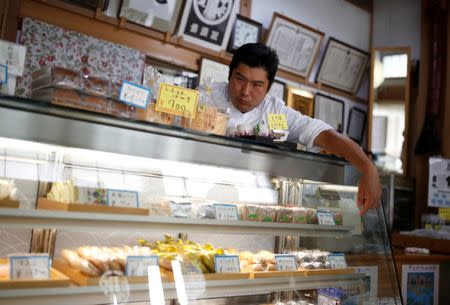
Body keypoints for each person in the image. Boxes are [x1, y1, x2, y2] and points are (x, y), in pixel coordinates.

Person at [209, 43, 381, 216]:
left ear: (268, 87)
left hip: (255, 208)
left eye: (257, 84)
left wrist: (368, 168)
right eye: (240, 79)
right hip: (208, 197)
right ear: (229, 74)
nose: (246, 91)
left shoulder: (275, 111)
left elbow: (326, 136)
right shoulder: (205, 97)